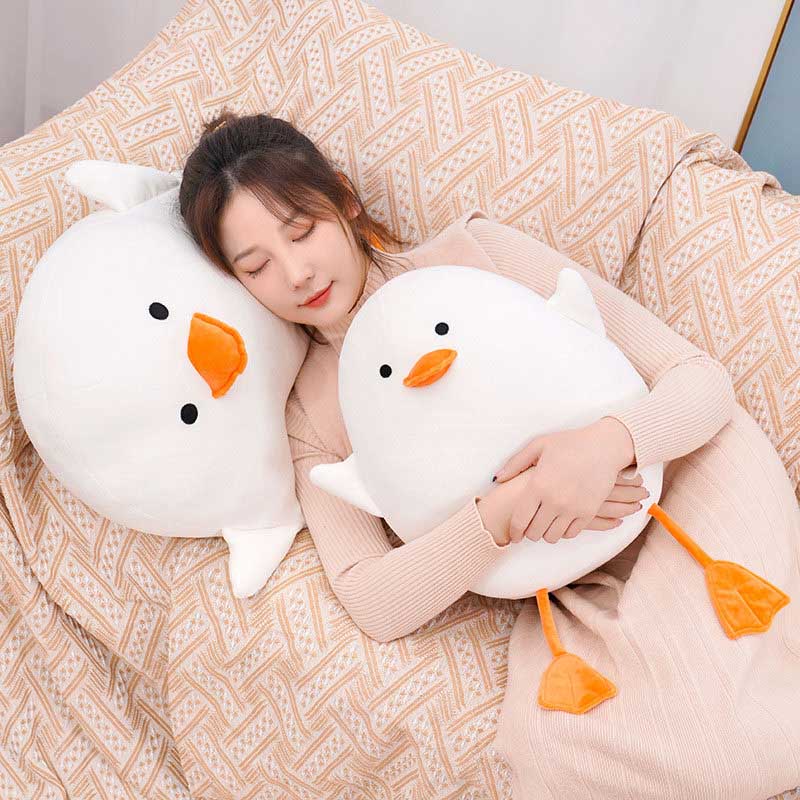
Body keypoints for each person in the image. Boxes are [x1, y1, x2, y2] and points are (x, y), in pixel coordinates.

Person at [179, 110, 800, 799]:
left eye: (302, 231)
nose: (297, 274)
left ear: (345, 201)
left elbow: (699, 380)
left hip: (690, 486)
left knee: (746, 708)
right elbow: (374, 601)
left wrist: (602, 448)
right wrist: (504, 510)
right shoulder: (309, 411)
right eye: (257, 266)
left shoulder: (478, 253)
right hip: (571, 582)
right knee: (562, 756)